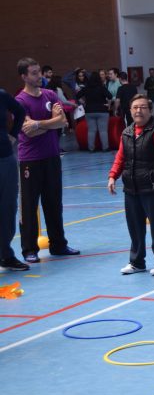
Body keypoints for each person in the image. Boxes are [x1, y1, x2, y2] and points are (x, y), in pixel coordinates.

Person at [15, 57, 80, 263]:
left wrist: (38, 124)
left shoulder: (50, 94)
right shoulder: (20, 102)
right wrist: (46, 124)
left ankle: (58, 244)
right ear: (24, 76)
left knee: (54, 202)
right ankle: (29, 249)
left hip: (52, 157)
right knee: (29, 205)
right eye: (34, 73)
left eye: (39, 72)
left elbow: (61, 121)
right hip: (30, 160)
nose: (39, 76)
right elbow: (28, 131)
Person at [108, 94, 154, 276]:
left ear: (150, 110)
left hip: (153, 187)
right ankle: (137, 262)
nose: (138, 110)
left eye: (143, 107)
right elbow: (121, 157)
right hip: (131, 188)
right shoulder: (127, 132)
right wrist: (112, 176)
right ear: (130, 111)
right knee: (135, 226)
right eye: (135, 107)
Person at [0, 89, 29, 271]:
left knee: (8, 207)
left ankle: (5, 254)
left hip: (4, 158)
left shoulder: (2, 95)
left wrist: (13, 135)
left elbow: (20, 112)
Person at [76, 72, 113, 151]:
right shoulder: (101, 87)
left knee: (91, 131)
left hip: (89, 111)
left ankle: (91, 148)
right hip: (102, 110)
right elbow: (110, 96)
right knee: (103, 131)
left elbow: (77, 96)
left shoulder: (86, 88)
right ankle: (105, 148)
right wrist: (108, 104)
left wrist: (84, 103)